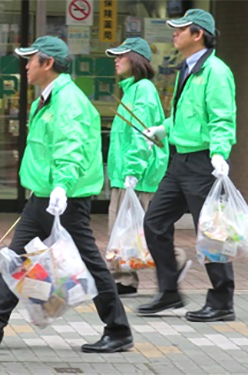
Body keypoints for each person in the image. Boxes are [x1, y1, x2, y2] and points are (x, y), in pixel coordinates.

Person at [0, 36, 134, 353]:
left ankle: (118, 330)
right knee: (16, 257)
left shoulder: (68, 101)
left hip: (65, 199)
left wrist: (62, 185)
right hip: (44, 197)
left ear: (47, 63)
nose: (26, 65)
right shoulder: (46, 100)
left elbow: (70, 148)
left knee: (89, 263)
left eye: (30, 59)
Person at [137, 9, 237, 322]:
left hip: (203, 162)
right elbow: (186, 116)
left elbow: (222, 118)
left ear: (198, 35)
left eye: (180, 29)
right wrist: (163, 129)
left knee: (210, 234)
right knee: (154, 223)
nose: (174, 33)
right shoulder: (189, 69)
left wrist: (220, 153)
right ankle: (169, 293)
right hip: (179, 161)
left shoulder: (216, 72)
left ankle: (222, 302)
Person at [104, 37, 192, 296]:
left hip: (138, 177)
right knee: (121, 232)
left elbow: (141, 136)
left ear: (137, 60)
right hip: (125, 175)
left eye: (122, 56)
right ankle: (124, 279)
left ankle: (175, 259)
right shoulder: (131, 90)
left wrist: (133, 169)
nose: (116, 60)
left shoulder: (142, 90)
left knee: (142, 231)